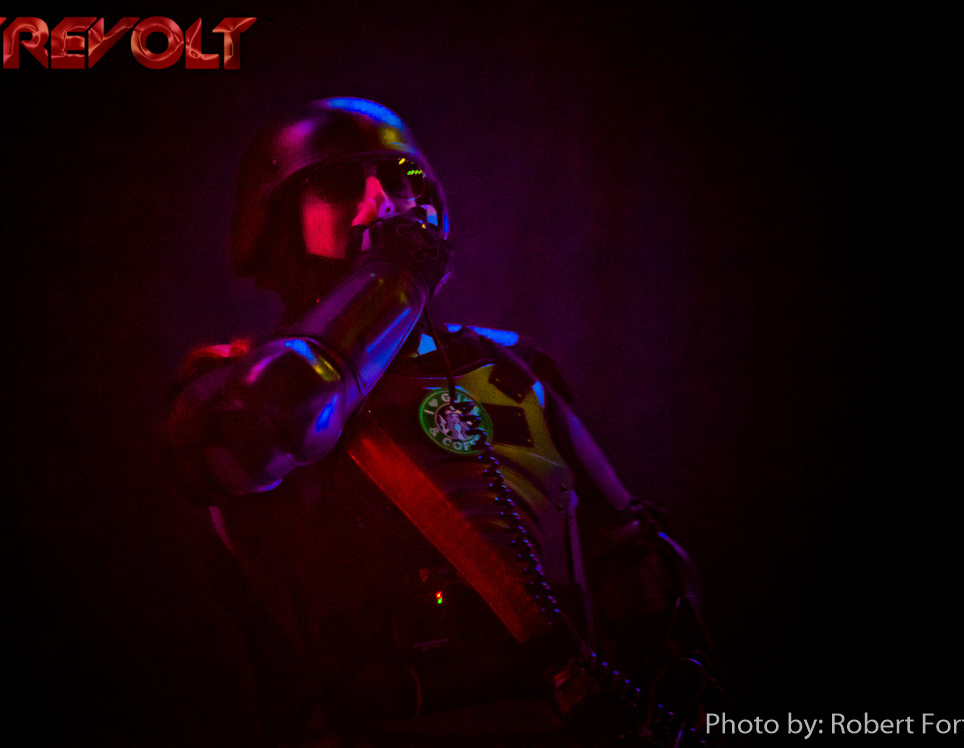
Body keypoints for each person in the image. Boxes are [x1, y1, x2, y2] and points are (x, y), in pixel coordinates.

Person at [165, 98, 722, 746]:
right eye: (339, 183)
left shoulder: (514, 368)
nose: (384, 202)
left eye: (401, 177)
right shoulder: (236, 391)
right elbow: (266, 426)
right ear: (276, 219)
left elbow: (635, 563)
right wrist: (393, 279)